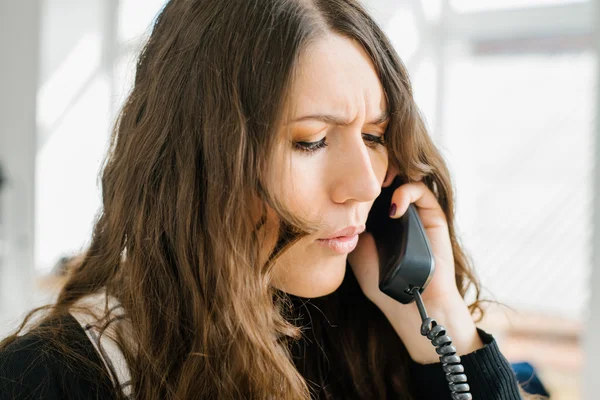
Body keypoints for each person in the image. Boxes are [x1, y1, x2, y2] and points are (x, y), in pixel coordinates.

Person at [0, 0, 542, 398]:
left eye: (374, 137)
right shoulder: (51, 378)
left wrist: (441, 323)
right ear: (201, 164)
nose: (364, 184)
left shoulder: (367, 340)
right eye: (311, 141)